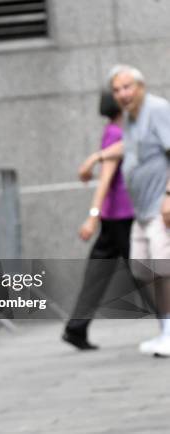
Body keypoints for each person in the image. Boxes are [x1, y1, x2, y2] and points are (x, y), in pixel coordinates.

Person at [79, 64, 170, 357]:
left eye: (127, 87)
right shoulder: (131, 118)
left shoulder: (157, 110)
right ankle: (166, 330)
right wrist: (97, 156)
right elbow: (126, 147)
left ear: (141, 86)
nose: (122, 94)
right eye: (117, 90)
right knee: (143, 270)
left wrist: (169, 195)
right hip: (141, 211)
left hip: (159, 206)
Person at [62, 91, 134, 350]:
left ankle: (76, 327)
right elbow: (106, 177)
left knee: (98, 273)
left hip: (115, 218)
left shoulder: (115, 131)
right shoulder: (116, 133)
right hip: (122, 217)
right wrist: (92, 216)